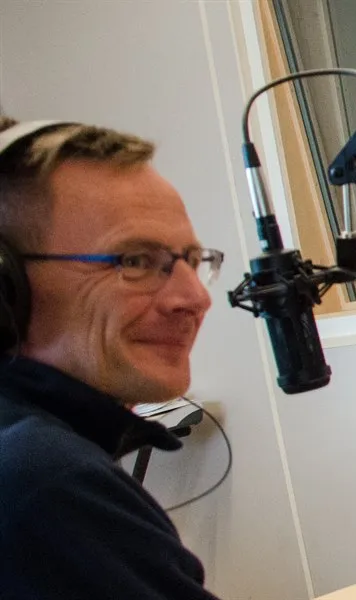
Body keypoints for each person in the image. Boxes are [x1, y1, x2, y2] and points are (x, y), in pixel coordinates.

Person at [0, 117, 225, 598]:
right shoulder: (47, 481)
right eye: (135, 261)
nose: (195, 298)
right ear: (7, 289)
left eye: (192, 260)